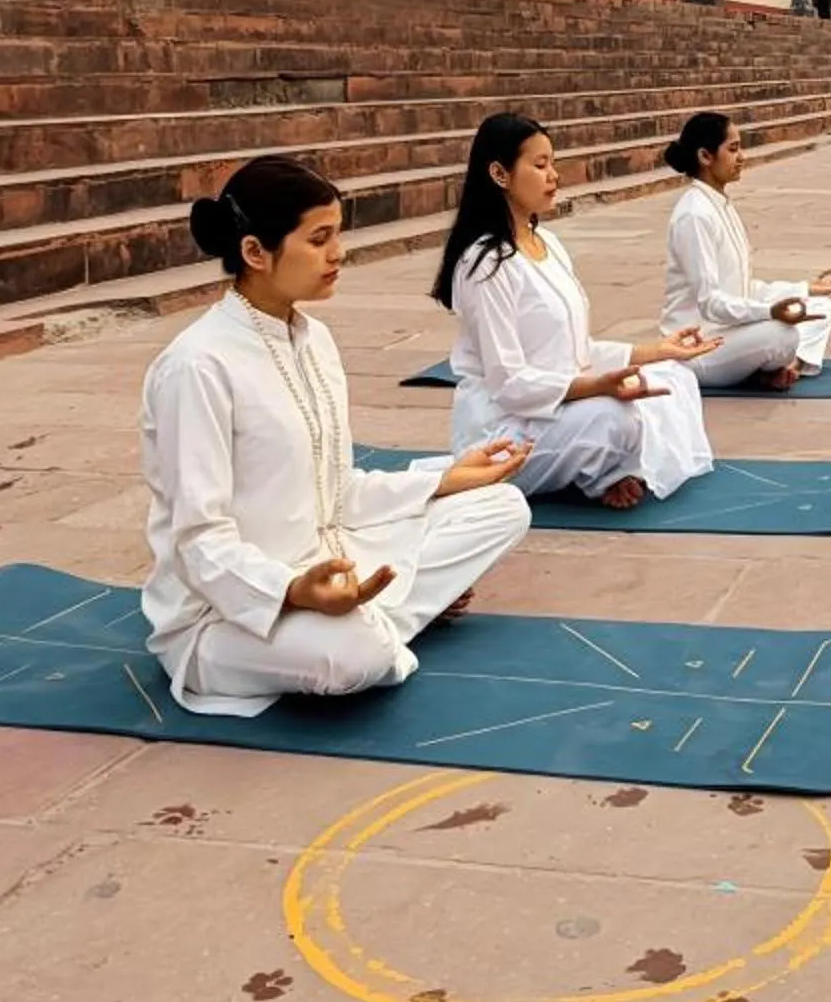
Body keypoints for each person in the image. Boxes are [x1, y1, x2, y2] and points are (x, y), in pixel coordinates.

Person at [138, 156, 533, 717]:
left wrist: (445, 480)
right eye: (319, 239)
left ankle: (372, 612)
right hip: (228, 613)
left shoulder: (314, 339)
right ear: (255, 252)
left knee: (502, 505)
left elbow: (337, 492)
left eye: (337, 236)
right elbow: (196, 540)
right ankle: (376, 622)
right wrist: (293, 592)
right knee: (357, 660)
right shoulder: (197, 366)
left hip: (331, 558)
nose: (338, 253)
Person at [432, 113, 718, 510]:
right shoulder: (486, 263)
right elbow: (509, 384)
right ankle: (608, 470)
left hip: (557, 409)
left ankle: (610, 471)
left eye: (553, 163)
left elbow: (574, 351)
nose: (554, 176)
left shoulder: (545, 242)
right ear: (499, 173)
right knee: (614, 417)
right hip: (503, 431)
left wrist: (659, 350)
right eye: (540, 164)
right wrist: (596, 388)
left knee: (674, 379)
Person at [660, 111, 831, 389]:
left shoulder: (719, 204)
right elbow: (711, 303)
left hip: (732, 333)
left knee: (821, 307)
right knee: (781, 335)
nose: (742, 157)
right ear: (705, 156)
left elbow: (742, 289)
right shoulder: (694, 215)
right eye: (733, 149)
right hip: (699, 347)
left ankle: (788, 367)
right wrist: (772, 313)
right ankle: (777, 367)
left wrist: (803, 289)